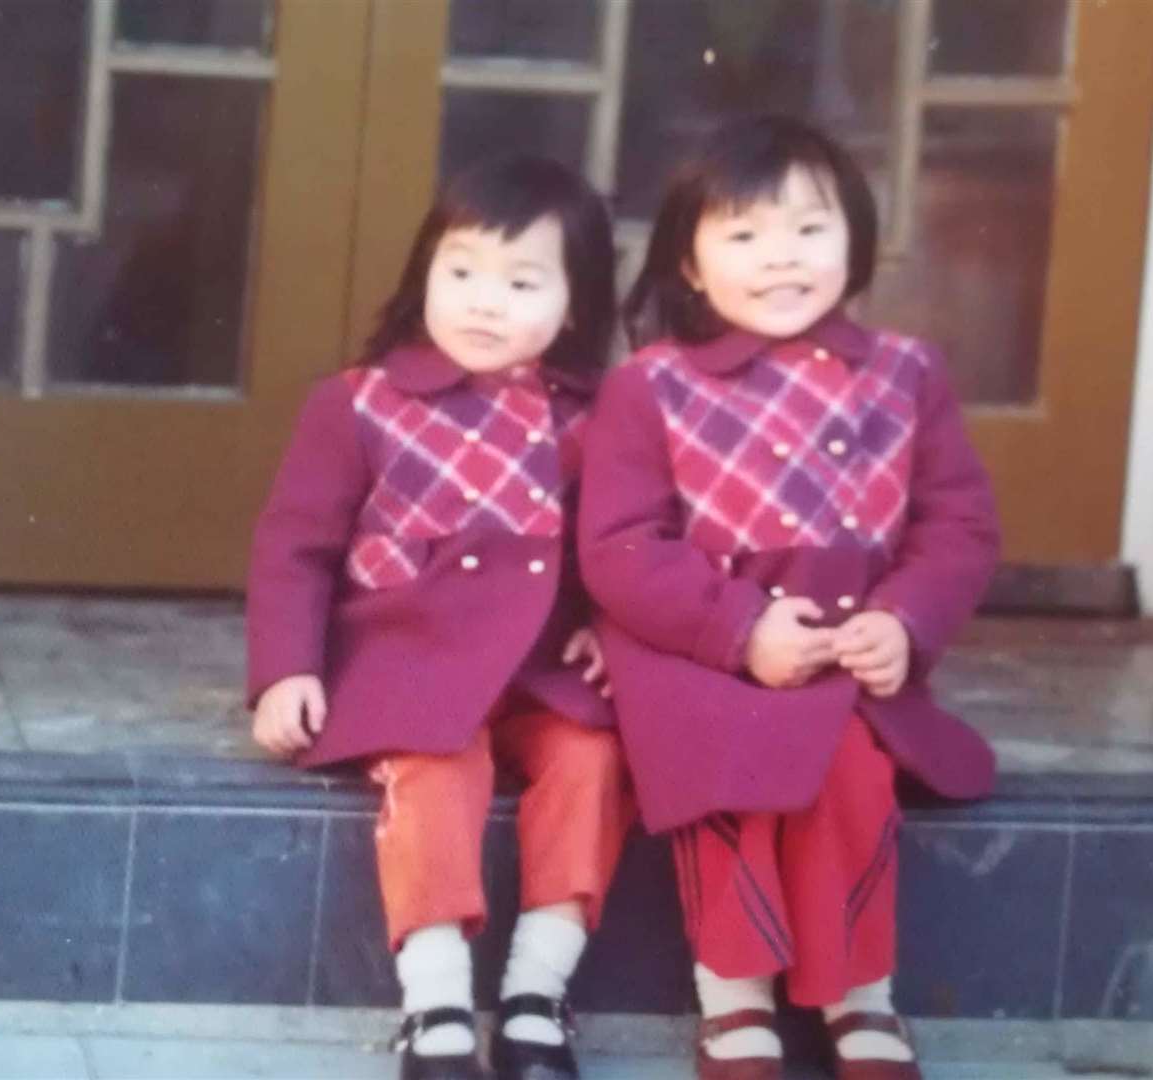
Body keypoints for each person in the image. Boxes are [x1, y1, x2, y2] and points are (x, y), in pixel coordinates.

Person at [578, 115, 1000, 1080]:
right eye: (743, 235)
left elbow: (959, 525)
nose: (782, 259)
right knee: (726, 772)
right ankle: (736, 1000)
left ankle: (860, 997)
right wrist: (737, 628)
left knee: (851, 768)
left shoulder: (903, 375)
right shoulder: (652, 387)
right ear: (688, 262)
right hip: (700, 651)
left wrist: (906, 618)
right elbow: (619, 545)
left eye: (810, 230)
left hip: (846, 641)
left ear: (855, 241)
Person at [246, 155, 633, 1080]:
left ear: (575, 305)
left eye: (521, 280)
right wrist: (284, 668)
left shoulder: (595, 417)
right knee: (434, 770)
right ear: (423, 272)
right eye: (459, 271)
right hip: (408, 660)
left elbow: (629, 542)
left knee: (591, 759)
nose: (482, 301)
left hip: (539, 668)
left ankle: (539, 994)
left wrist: (610, 628)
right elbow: (295, 544)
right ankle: (438, 1004)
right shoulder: (361, 403)